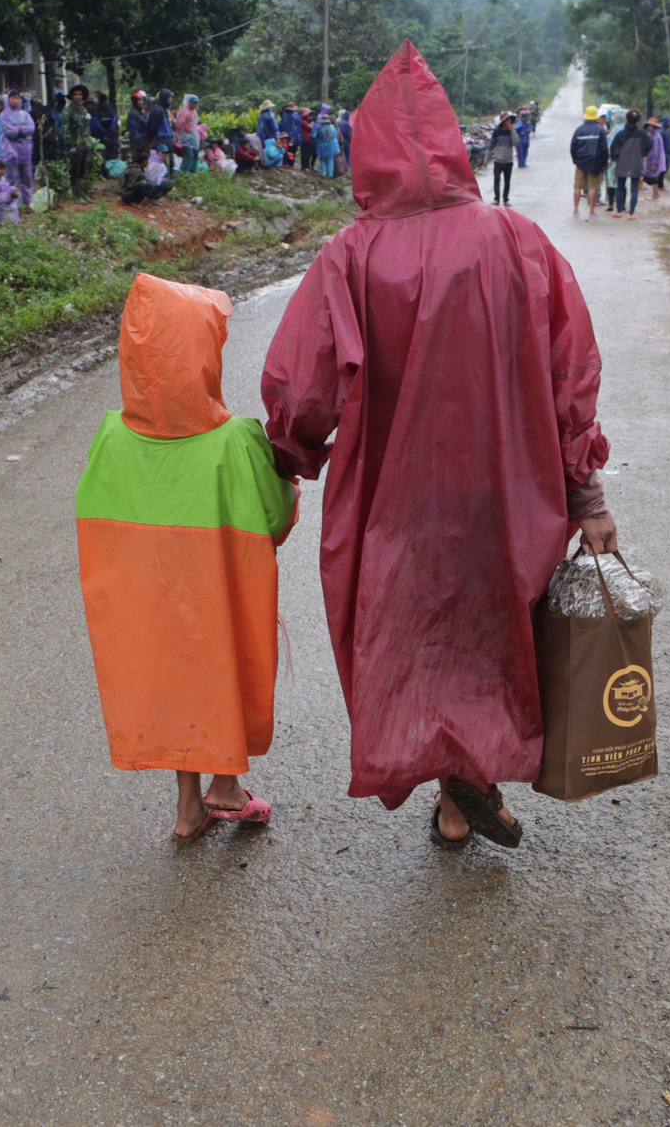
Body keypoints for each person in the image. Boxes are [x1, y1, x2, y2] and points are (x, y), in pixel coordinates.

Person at [261, 41, 613, 850]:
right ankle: (466, 791)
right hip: (507, 488)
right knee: (491, 632)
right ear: (454, 140)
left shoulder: (351, 256)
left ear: (367, 148)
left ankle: (458, 791)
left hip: (397, 495)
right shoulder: (519, 243)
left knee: (417, 636)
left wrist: (291, 455)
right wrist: (584, 492)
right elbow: (573, 375)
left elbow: (302, 387)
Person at [75, 273, 298, 840]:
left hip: (152, 605)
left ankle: (188, 804)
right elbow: (275, 520)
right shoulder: (237, 442)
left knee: (174, 675)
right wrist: (289, 487)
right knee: (220, 662)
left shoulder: (110, 441)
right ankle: (226, 786)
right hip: (217, 598)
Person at [570, 105, 609, 219]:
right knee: (593, 187)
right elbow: (604, 149)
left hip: (581, 162)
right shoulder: (600, 130)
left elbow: (573, 147)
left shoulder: (579, 130)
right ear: (596, 117)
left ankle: (576, 210)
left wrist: (575, 160)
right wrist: (604, 164)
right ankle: (591, 211)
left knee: (578, 186)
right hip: (595, 163)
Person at [609, 109, 649, 218]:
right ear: (638, 120)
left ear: (626, 119)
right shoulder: (642, 134)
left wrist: (615, 158)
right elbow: (649, 146)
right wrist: (642, 154)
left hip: (622, 163)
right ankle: (631, 213)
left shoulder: (621, 134)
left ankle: (619, 211)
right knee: (634, 188)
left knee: (620, 187)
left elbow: (613, 148)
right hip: (637, 163)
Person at [0, 91, 36, 203]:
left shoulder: (25, 114)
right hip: (10, 151)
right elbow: (9, 132)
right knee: (11, 178)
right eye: (13, 98)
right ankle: (10, 204)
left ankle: (27, 204)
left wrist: (18, 129)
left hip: (25, 151)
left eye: (17, 98)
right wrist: (22, 131)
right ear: (8, 99)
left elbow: (31, 129)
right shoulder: (4, 115)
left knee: (27, 178)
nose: (15, 100)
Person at [65, 84, 94, 202]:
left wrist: (90, 141)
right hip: (75, 145)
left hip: (84, 143)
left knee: (83, 170)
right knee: (75, 170)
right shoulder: (68, 111)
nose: (78, 97)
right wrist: (70, 146)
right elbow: (66, 130)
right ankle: (76, 195)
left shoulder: (84, 110)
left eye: (80, 94)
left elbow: (87, 127)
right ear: (72, 96)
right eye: (75, 94)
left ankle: (82, 193)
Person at [486, 111, 517, 204]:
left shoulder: (511, 132)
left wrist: (512, 131)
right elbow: (491, 146)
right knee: (496, 180)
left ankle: (506, 199)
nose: (509, 122)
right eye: (507, 120)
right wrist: (486, 159)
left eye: (510, 121)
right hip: (498, 160)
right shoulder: (496, 132)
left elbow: (516, 143)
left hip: (508, 160)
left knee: (507, 181)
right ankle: (496, 198)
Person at [176, 94, 202, 173]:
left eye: (196, 103)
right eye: (193, 103)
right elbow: (179, 125)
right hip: (187, 138)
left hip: (193, 137)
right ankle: (183, 174)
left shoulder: (194, 112)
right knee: (188, 156)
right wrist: (184, 133)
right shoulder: (185, 112)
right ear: (189, 102)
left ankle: (192, 173)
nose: (195, 105)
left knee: (194, 155)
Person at [91, 92, 119, 162]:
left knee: (101, 157)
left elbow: (95, 124)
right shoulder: (111, 110)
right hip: (112, 137)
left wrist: (103, 134)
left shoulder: (95, 111)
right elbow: (114, 122)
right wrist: (109, 133)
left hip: (100, 138)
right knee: (112, 156)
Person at [126, 90, 153, 157]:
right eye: (139, 100)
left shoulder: (141, 110)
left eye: (142, 100)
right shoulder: (134, 113)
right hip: (138, 139)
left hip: (142, 138)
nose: (142, 102)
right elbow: (143, 124)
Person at [314, 111, 340, 178]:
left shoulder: (320, 128)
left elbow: (316, 136)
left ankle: (323, 172)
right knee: (330, 159)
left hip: (322, 145)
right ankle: (330, 174)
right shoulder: (332, 127)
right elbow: (335, 136)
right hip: (331, 145)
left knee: (322, 159)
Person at [338, 108, 353, 174]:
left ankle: (342, 167)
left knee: (342, 153)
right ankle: (348, 167)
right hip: (346, 140)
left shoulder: (341, 122)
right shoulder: (347, 123)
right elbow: (349, 134)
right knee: (347, 154)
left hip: (341, 139)